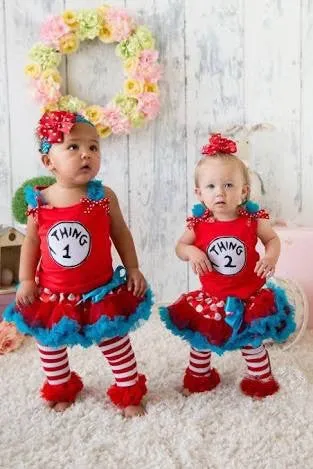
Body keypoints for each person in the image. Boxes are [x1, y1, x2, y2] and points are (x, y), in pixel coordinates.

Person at [4, 111, 153, 416]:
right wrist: (27, 280)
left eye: (94, 147)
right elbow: (32, 242)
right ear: (49, 162)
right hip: (54, 294)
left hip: (99, 292)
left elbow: (120, 233)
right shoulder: (40, 201)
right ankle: (61, 387)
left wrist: (133, 268)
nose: (86, 153)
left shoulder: (102, 196)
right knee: (50, 345)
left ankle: (129, 391)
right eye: (73, 147)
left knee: (114, 341)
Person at [160, 133, 295, 399]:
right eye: (211, 187)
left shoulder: (252, 220)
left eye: (229, 185)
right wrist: (191, 251)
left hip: (249, 297)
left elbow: (272, 240)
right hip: (212, 298)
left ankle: (260, 380)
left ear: (244, 191)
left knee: (252, 341)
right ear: (199, 193)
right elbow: (179, 248)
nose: (220, 192)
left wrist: (270, 257)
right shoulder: (198, 225)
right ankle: (200, 378)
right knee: (202, 341)